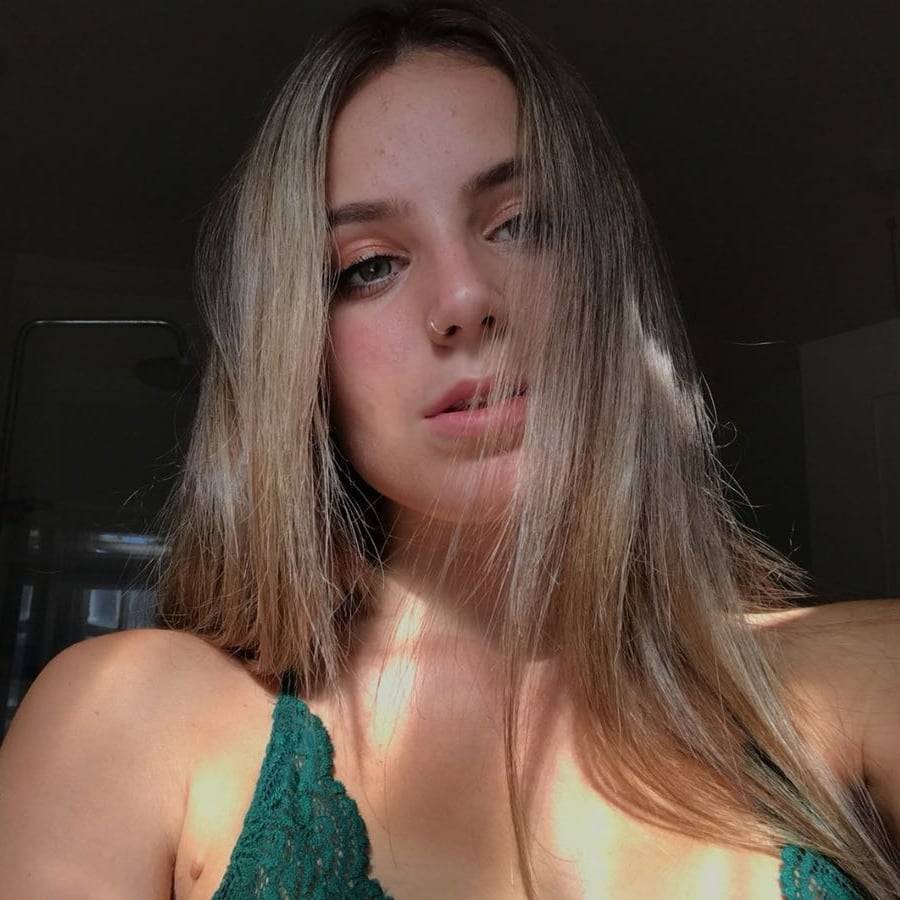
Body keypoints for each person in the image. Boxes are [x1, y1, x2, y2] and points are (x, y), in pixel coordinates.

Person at [1, 1, 899, 897]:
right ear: (298, 359)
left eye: (523, 222)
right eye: (367, 266)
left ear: (607, 274)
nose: (466, 298)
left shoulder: (862, 679)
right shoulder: (127, 724)